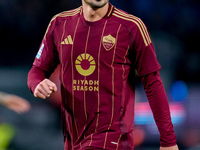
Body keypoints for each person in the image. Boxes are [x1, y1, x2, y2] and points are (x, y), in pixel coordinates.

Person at [27, 0, 179, 149]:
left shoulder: (131, 26)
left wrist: (168, 141)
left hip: (113, 138)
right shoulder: (59, 23)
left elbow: (152, 83)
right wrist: (37, 84)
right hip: (73, 139)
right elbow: (37, 70)